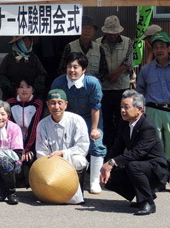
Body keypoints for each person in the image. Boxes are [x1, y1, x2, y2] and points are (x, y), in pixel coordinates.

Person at [137, 31, 170, 194]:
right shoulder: (146, 70)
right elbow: (140, 91)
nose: (159, 50)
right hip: (152, 111)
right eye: (155, 47)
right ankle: (158, 182)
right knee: (155, 147)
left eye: (162, 47)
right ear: (152, 50)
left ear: (169, 48)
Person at [101, 90, 167, 216]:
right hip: (138, 166)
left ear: (139, 109)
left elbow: (138, 153)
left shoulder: (148, 127)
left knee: (133, 166)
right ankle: (144, 194)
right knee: (109, 177)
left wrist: (112, 162)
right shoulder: (124, 123)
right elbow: (117, 147)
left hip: (155, 169)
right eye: (121, 107)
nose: (122, 110)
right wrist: (106, 165)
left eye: (126, 107)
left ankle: (148, 202)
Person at [51, 52, 106, 194]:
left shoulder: (92, 83)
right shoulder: (58, 82)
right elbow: (55, 105)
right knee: (64, 146)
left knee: (96, 144)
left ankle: (94, 181)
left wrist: (94, 128)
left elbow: (96, 106)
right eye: (69, 66)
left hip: (89, 118)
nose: (72, 70)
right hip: (67, 119)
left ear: (84, 69)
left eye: (76, 67)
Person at [36, 89, 90, 204]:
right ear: (47, 105)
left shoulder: (77, 121)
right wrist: (52, 161)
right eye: (53, 103)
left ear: (66, 104)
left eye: (60, 103)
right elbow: (41, 151)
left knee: (79, 160)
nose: (56, 107)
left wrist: (62, 154)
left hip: (70, 160)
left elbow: (82, 147)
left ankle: (77, 191)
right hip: (51, 164)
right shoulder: (42, 124)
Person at [96, 15, 133, 151]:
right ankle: (107, 145)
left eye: (114, 33)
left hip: (121, 86)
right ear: (104, 32)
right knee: (105, 118)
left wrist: (115, 74)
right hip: (104, 87)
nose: (112, 36)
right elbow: (97, 63)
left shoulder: (128, 42)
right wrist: (106, 75)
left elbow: (128, 63)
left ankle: (121, 146)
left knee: (121, 117)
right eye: (109, 33)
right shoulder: (98, 42)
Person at [6, 78, 45, 187]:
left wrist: (27, 149)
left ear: (33, 90)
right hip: (14, 143)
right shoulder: (10, 103)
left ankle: (35, 184)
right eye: (21, 87)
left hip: (32, 142)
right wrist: (19, 149)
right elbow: (11, 128)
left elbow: (34, 127)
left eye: (28, 87)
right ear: (16, 89)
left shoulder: (38, 103)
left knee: (33, 160)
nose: (24, 90)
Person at [57, 16, 109, 81]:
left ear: (94, 31)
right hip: (72, 85)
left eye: (90, 28)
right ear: (78, 29)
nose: (87, 31)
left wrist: (93, 80)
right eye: (84, 28)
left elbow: (104, 71)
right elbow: (61, 69)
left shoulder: (99, 48)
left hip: (92, 86)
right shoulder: (69, 47)